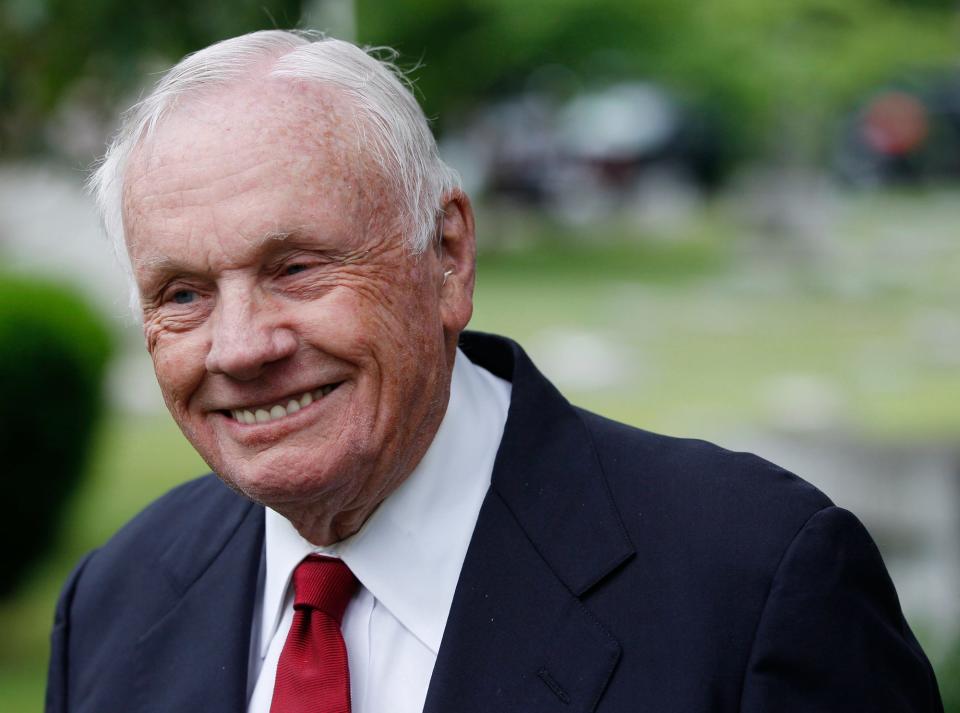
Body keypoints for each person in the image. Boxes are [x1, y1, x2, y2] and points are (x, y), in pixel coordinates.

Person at [46, 30, 943, 713]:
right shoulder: (111, 605)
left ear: (447, 253)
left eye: (296, 268)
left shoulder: (756, 582)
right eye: (183, 293)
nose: (240, 347)